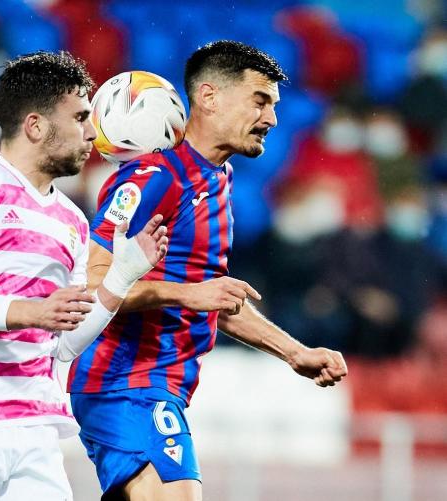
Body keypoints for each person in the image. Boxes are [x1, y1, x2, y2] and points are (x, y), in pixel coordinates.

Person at [67, 40, 349, 500]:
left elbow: (213, 296)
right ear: (209, 97)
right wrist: (185, 295)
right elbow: (92, 288)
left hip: (162, 384)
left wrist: (294, 352)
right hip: (124, 382)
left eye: (275, 105)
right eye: (260, 101)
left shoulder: (216, 179)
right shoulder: (152, 177)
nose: (271, 119)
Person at [0, 51, 168, 501]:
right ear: (35, 126)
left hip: (37, 435)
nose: (93, 132)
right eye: (81, 118)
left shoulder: (72, 220)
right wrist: (35, 311)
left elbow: (63, 344)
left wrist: (122, 277)